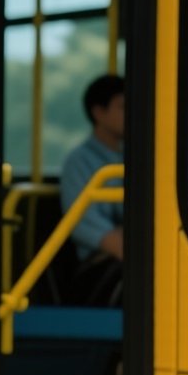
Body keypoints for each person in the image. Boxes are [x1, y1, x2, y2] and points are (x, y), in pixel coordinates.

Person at [60, 74, 126, 263]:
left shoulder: (138, 157)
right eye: (123, 107)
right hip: (99, 263)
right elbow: (84, 224)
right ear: (98, 112)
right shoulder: (79, 161)